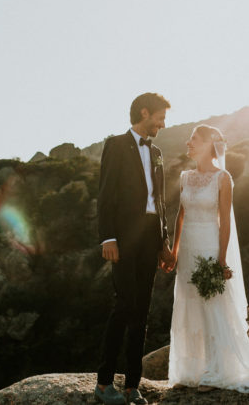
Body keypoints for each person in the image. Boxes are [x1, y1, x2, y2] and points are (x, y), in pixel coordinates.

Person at [166, 124, 249, 393]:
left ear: (208, 145)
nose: (188, 143)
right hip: (188, 248)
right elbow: (180, 215)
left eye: (194, 139)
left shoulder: (223, 178)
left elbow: (225, 223)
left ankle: (215, 369)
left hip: (209, 247)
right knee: (190, 302)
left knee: (211, 304)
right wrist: (175, 251)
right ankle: (192, 369)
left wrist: (221, 259)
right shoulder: (186, 177)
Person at [94, 92, 175, 405]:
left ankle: (132, 386)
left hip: (151, 239)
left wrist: (164, 241)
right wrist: (108, 237)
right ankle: (103, 384)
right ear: (145, 112)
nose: (163, 124)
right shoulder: (115, 145)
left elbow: (160, 201)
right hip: (124, 239)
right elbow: (106, 195)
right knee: (124, 305)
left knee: (141, 312)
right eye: (160, 117)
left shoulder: (156, 151)